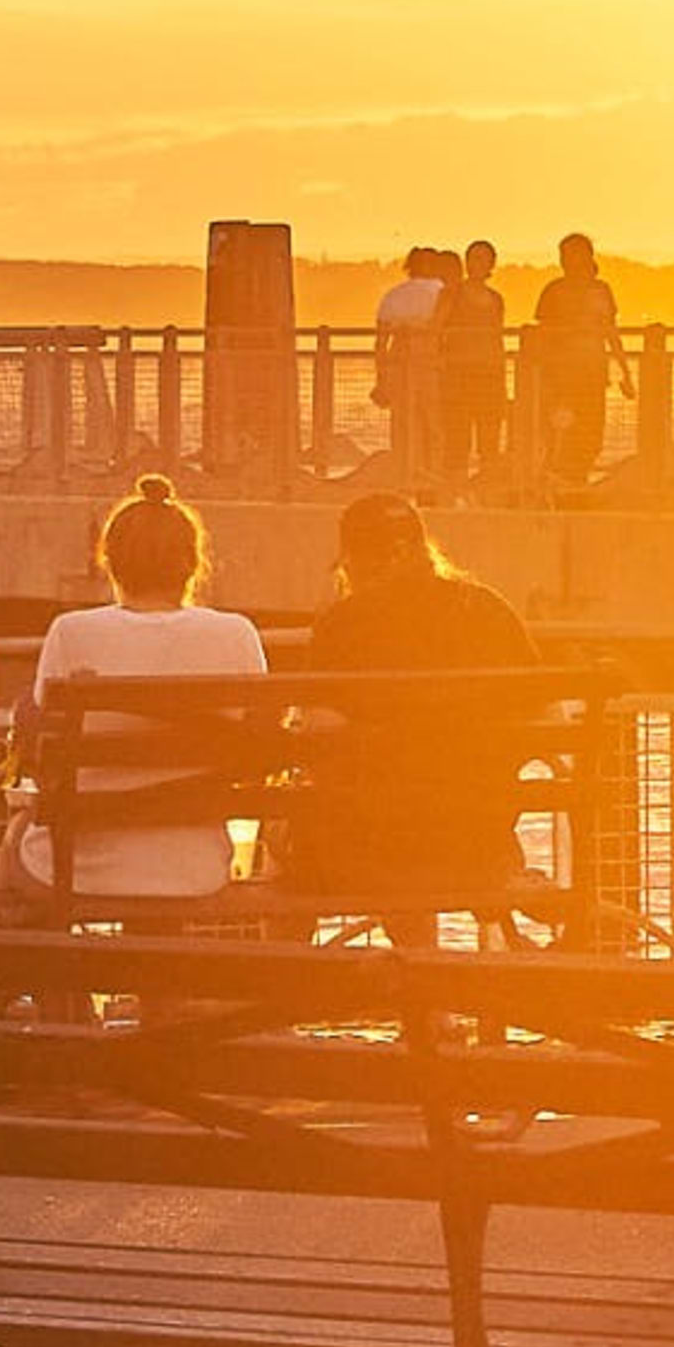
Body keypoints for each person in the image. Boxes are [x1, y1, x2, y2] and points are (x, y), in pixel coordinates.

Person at [0, 479, 265, 917]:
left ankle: (62, 985)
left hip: (72, 868)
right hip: (194, 869)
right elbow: (257, 755)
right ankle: (155, 984)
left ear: (110, 563)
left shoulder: (73, 632)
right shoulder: (237, 634)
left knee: (12, 846)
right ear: (192, 565)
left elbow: (42, 761)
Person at [282, 494, 548, 931]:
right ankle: (421, 985)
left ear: (353, 558)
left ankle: (287, 988)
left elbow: (320, 733)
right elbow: (546, 717)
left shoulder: (343, 623)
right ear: (424, 548)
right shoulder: (485, 608)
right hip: (476, 846)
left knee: (292, 835)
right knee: (404, 811)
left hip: (372, 851)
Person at [525, 233, 630, 489]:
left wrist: (626, 372)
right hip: (561, 376)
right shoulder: (554, 291)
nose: (568, 261)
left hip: (593, 374)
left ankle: (578, 482)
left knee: (591, 434)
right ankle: (559, 483)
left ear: (587, 256)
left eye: (573, 254)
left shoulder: (601, 290)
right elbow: (543, 333)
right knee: (562, 432)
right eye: (564, 255)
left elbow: (611, 331)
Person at [372, 247, 450, 481]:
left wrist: (382, 378)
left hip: (398, 360)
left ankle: (404, 474)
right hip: (430, 360)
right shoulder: (442, 292)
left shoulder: (393, 295)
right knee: (435, 423)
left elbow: (380, 342)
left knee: (404, 424)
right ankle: (435, 475)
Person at [439, 240, 509, 485]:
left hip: (489, 374)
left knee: (489, 438)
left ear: (491, 264)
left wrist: (502, 383)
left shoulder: (496, 299)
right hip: (459, 375)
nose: (476, 264)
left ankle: (487, 491)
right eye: (472, 258)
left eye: (482, 259)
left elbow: (497, 339)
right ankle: (453, 490)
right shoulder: (452, 293)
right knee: (457, 438)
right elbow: (437, 328)